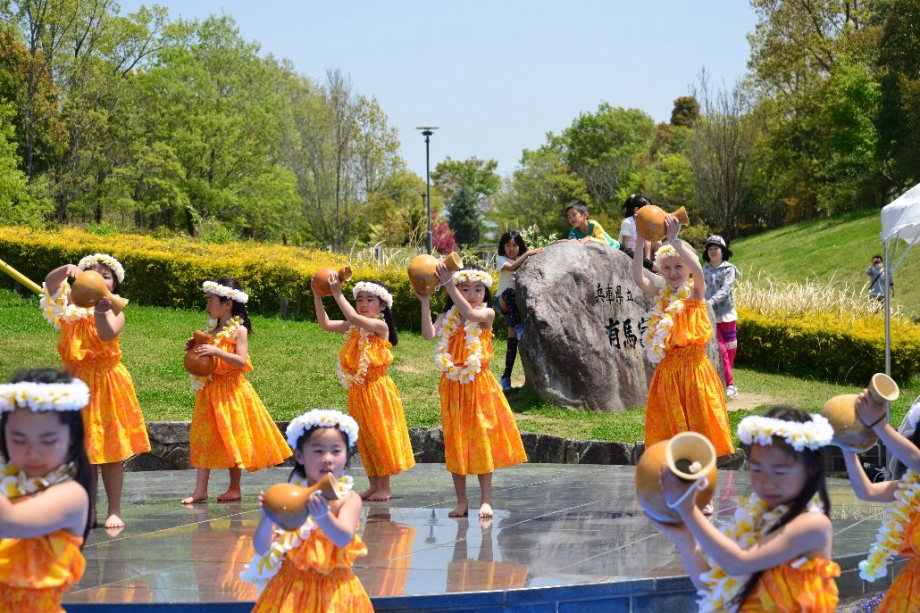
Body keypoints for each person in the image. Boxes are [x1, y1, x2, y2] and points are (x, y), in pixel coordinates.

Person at [650, 407, 838, 612]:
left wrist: (688, 510)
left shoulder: (813, 524)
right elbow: (713, 589)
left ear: (811, 471)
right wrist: (685, 539)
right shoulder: (755, 521)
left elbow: (738, 563)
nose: (766, 482)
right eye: (757, 469)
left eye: (779, 472)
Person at [41, 254, 150, 530]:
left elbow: (106, 334)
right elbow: (50, 284)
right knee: (83, 452)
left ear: (114, 286)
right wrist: (65, 269)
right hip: (75, 384)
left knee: (111, 453)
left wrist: (100, 313)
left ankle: (114, 509)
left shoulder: (115, 310)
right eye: (91, 272)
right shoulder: (69, 304)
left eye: (106, 276)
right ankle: (87, 509)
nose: (98, 278)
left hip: (106, 384)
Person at [417, 265, 528, 518]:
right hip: (452, 386)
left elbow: (468, 312)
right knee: (456, 442)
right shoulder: (448, 316)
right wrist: (424, 302)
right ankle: (462, 501)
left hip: (479, 385)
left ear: (486, 293)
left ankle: (486, 500)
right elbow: (428, 334)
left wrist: (448, 283)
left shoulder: (486, 313)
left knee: (481, 440)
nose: (472, 294)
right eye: (465, 289)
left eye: (478, 289)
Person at [242, 409, 372, 613]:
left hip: (334, 593)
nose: (327, 458)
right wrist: (267, 519)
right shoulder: (287, 497)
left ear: (347, 455)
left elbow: (343, 538)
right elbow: (263, 549)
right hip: (289, 592)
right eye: (318, 451)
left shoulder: (348, 499)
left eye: (336, 451)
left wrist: (323, 516)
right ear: (300, 456)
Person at [632, 216, 734, 475]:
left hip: (695, 372)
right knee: (671, 431)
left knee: (700, 429)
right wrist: (641, 239)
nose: (673, 272)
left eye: (679, 266)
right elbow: (638, 277)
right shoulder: (662, 296)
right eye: (666, 268)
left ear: (688, 268)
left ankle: (703, 480)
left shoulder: (696, 293)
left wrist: (674, 241)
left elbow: (699, 271)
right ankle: (678, 479)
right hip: (668, 375)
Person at [181, 278, 290, 505]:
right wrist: (194, 350)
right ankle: (200, 490)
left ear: (228, 303)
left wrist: (216, 351)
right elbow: (206, 361)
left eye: (211, 300)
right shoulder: (211, 331)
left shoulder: (238, 330)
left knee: (232, 437)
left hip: (231, 392)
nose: (207, 306)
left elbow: (241, 361)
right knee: (203, 437)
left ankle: (234, 488)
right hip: (209, 392)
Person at [313, 274, 414, 501]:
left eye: (369, 300)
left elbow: (352, 316)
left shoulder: (379, 326)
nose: (363, 304)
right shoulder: (354, 327)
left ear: (382, 305)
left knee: (379, 437)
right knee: (365, 439)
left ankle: (385, 487)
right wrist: (317, 296)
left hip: (377, 390)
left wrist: (337, 292)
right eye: (359, 300)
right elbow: (325, 324)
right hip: (358, 391)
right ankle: (373, 485)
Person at [0, 368, 94, 610]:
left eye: (49, 440)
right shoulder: (8, 485)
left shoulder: (71, 494)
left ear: (72, 437)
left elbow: (9, 521)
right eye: (19, 440)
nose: (33, 453)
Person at [842, 389, 920, 610]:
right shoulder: (912, 488)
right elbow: (866, 491)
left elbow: (917, 460)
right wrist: (847, 448)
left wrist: (877, 423)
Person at [495, 230, 544, 391]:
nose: (511, 249)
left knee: (512, 344)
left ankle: (506, 377)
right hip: (502, 301)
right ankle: (518, 326)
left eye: (515, 245)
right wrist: (527, 254)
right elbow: (511, 267)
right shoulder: (501, 260)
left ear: (519, 246)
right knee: (509, 293)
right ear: (503, 247)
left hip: (515, 308)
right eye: (508, 245)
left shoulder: (523, 259)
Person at [703, 234, 740, 399]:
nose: (713, 251)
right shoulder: (702, 270)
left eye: (716, 248)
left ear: (722, 251)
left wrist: (709, 302)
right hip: (710, 317)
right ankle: (729, 384)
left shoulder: (729, 269)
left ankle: (723, 380)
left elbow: (726, 290)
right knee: (721, 350)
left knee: (731, 351)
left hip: (727, 316)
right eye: (710, 249)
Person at [619, 194, 655, 270]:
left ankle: (651, 265)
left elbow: (647, 240)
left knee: (658, 242)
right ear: (636, 210)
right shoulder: (627, 222)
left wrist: (647, 259)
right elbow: (625, 246)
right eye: (647, 210)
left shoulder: (645, 222)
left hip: (640, 251)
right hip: (631, 253)